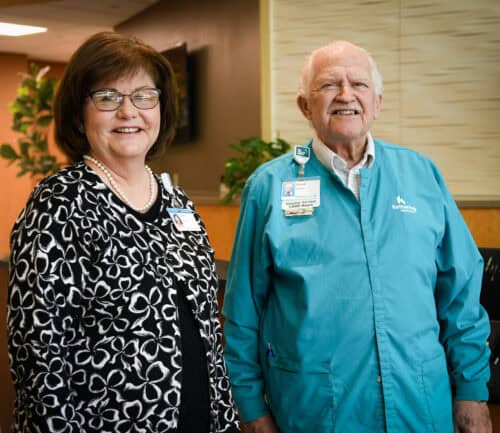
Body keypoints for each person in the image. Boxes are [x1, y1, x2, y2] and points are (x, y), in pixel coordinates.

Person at [222, 40, 492, 433]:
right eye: (329, 85)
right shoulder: (268, 186)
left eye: (359, 85)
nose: (346, 95)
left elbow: (461, 294)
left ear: (377, 102)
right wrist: (250, 408)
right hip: (313, 412)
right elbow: (242, 312)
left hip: (420, 405)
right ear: (305, 106)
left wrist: (472, 390)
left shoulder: (422, 175)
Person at [7, 31, 239, 433]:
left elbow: (206, 333)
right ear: (80, 112)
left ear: (162, 108)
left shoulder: (176, 200)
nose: (128, 112)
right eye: (107, 97)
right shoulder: (59, 204)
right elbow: (39, 358)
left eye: (144, 96)